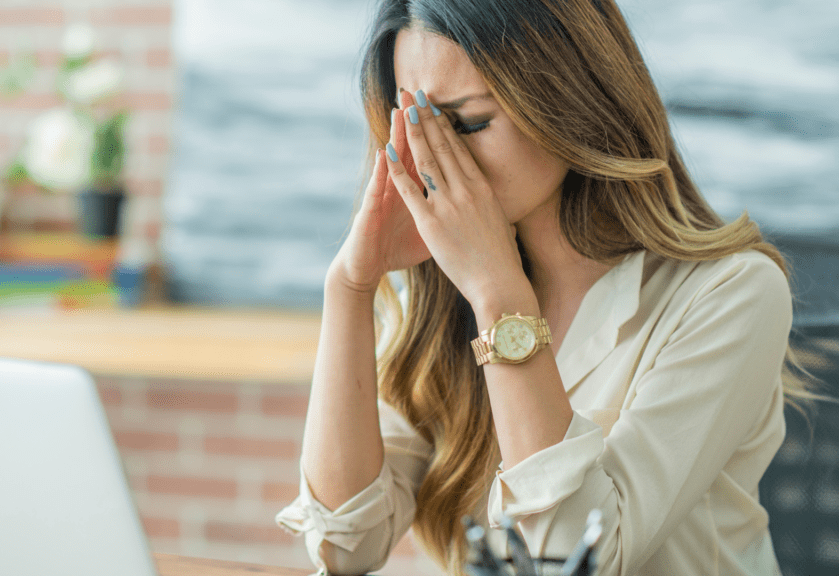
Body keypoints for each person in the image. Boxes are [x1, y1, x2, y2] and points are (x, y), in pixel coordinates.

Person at [276, 0, 811, 574]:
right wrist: (351, 286)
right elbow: (344, 544)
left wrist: (496, 293)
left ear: (567, 100)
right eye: (418, 127)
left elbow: (576, 558)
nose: (438, 159)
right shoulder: (438, 296)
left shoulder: (732, 295)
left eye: (470, 123)